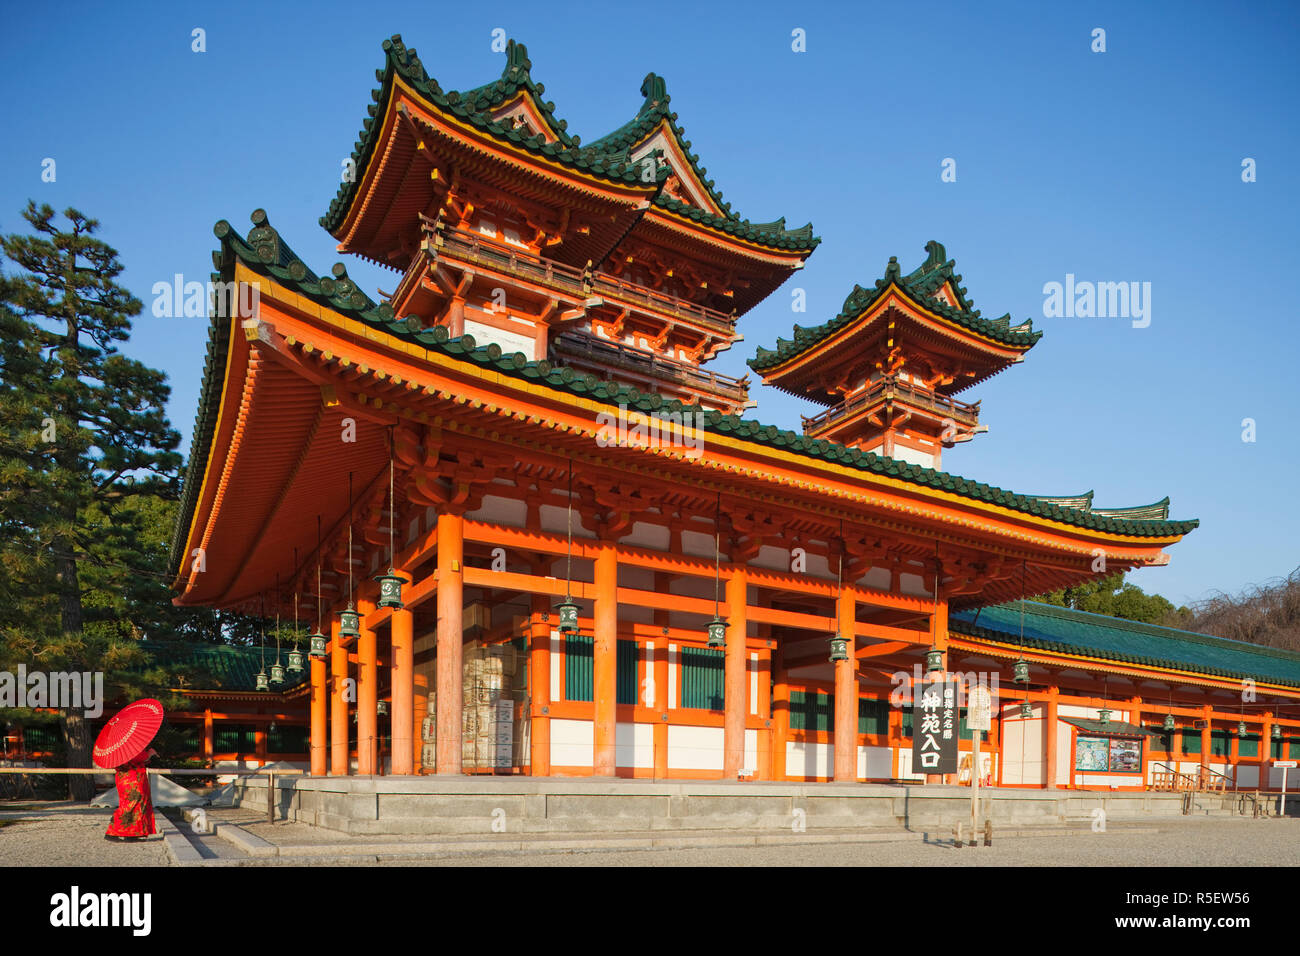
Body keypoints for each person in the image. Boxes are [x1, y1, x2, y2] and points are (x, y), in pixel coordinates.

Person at [105, 747, 157, 841]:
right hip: (133, 778)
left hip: (123, 778)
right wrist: (150, 753)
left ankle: (131, 833)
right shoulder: (129, 746)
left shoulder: (116, 747)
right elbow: (140, 757)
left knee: (130, 805)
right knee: (133, 805)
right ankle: (114, 831)